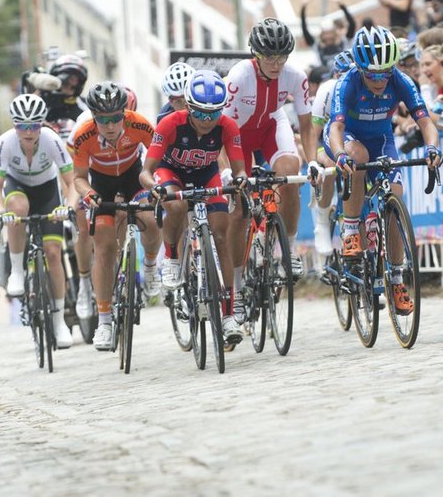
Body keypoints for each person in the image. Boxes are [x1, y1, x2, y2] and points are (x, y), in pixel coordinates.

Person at [326, 26, 443, 313]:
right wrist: (339, 154)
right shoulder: (348, 83)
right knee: (357, 156)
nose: (379, 81)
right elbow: (337, 128)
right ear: (360, 68)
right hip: (349, 140)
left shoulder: (400, 79)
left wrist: (432, 149)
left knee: (397, 195)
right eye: (372, 75)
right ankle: (351, 229)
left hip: (382, 140)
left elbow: (425, 121)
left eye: (384, 73)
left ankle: (396, 277)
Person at [140, 70, 248, 345]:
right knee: (176, 207)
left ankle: (227, 316)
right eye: (201, 113)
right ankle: (173, 257)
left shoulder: (228, 127)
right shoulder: (169, 123)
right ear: (188, 107)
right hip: (170, 173)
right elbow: (146, 172)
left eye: (214, 113)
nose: (207, 120)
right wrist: (155, 187)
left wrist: (239, 181)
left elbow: (239, 171)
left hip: (205, 175)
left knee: (221, 237)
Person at [223, 17, 314, 317]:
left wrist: (312, 161)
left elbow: (306, 125)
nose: (276, 65)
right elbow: (222, 130)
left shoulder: (295, 75)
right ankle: (235, 288)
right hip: (238, 137)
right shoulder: (239, 76)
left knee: (292, 173)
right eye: (269, 58)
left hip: (271, 126)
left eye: (281, 58)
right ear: (256, 55)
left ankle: (287, 248)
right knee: (239, 211)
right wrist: (229, 171)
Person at [70, 82, 161, 350]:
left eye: (116, 118)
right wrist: (88, 195)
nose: (110, 126)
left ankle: (151, 267)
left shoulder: (140, 125)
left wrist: (157, 183)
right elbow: (78, 178)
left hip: (135, 177)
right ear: (94, 117)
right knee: (106, 248)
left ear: (125, 113)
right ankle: (105, 322)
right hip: (102, 184)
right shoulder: (83, 136)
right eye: (103, 120)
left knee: (152, 221)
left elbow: (159, 158)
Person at [0, 94, 75, 349]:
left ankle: (59, 321)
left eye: (33, 126)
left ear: (41, 125)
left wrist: (67, 208)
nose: (28, 132)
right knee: (16, 208)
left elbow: (72, 183)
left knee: (53, 253)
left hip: (47, 190)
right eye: (22, 126)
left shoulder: (52, 140)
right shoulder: (5, 142)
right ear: (15, 126)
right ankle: (17, 270)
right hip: (18, 189)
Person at [310, 50, 356, 256]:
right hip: (326, 139)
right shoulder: (327, 90)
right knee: (331, 165)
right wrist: (313, 159)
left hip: (352, 137)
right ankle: (321, 221)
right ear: (335, 76)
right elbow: (313, 133)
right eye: (342, 76)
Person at [299, 0, 357, 69]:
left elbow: (352, 24)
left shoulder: (345, 42)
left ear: (334, 33)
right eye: (325, 34)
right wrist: (303, 8)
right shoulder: (316, 46)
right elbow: (305, 30)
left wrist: (341, 4)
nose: (328, 36)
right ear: (322, 35)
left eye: (330, 33)